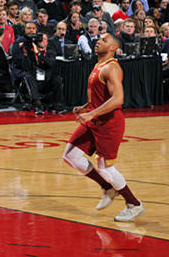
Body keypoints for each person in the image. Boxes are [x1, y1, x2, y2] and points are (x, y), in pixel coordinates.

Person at [62, 33, 145, 222]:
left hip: (109, 123)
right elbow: (101, 96)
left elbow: (118, 99)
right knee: (70, 156)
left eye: (104, 40)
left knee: (106, 169)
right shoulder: (98, 65)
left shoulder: (112, 67)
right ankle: (107, 187)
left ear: (113, 48)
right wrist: (85, 107)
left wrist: (91, 114)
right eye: (99, 39)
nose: (99, 41)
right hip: (95, 120)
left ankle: (134, 204)